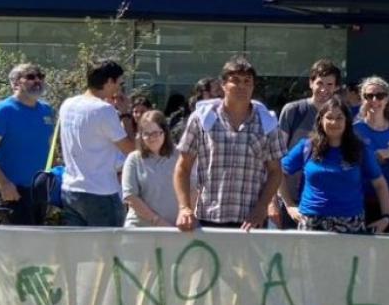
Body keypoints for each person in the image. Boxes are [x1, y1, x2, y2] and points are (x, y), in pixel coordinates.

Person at [175, 56, 285, 231]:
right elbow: (182, 167)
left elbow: (275, 171)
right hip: (209, 219)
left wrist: (262, 206)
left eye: (247, 81)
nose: (242, 86)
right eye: (235, 81)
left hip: (251, 222)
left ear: (253, 86)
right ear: (223, 85)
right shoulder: (203, 119)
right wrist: (184, 208)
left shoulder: (268, 123)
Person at [280, 97, 389, 234]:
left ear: (347, 121)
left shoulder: (360, 149)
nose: (334, 122)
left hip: (350, 223)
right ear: (321, 120)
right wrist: (289, 206)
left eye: (339, 118)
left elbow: (380, 183)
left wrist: (385, 217)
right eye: (329, 117)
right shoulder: (307, 146)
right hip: (312, 221)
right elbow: (278, 172)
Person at [57, 59, 136, 227]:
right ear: (108, 81)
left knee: (78, 249)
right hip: (100, 192)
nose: (119, 89)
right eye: (119, 83)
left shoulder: (68, 104)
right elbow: (130, 150)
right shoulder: (103, 110)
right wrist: (125, 115)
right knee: (108, 249)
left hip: (71, 189)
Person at [0, 62, 57, 225]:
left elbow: (50, 147)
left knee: (35, 240)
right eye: (30, 77)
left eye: (40, 76)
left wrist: (51, 181)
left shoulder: (46, 110)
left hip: (38, 190)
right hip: (12, 190)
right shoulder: (3, 111)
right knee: (20, 243)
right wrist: (3, 183)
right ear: (15, 83)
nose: (38, 81)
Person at [275, 59, 343, 228]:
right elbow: (276, 155)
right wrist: (279, 201)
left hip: (325, 202)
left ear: (336, 87)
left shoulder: (341, 114)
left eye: (329, 84)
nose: (324, 89)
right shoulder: (293, 111)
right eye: (319, 83)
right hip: (291, 200)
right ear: (311, 83)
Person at [353, 75, 389, 228]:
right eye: (369, 96)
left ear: (387, 99)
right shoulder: (354, 129)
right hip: (358, 199)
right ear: (362, 99)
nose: (375, 100)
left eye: (380, 96)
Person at [123, 111, 195, 227]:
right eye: (146, 134)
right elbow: (130, 196)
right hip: (141, 228)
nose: (151, 138)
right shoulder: (134, 159)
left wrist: (186, 216)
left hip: (177, 229)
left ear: (164, 133)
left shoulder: (180, 156)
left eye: (156, 133)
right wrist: (157, 221)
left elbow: (193, 189)